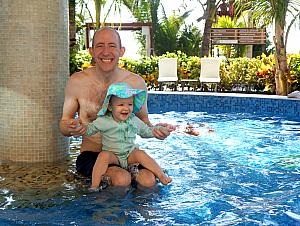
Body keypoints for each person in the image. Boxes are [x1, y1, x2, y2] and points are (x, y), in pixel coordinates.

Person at [59, 27, 173, 188]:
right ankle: (105, 211)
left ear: (121, 51)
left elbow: (144, 121)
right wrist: (72, 127)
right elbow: (64, 125)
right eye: (100, 46)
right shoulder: (77, 82)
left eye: (112, 46)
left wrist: (157, 130)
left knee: (148, 181)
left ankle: (145, 213)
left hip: (127, 153)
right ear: (91, 51)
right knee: (121, 179)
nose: (106, 52)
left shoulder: (136, 83)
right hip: (94, 155)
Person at [81, 83, 172, 190]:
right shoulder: (103, 121)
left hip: (129, 155)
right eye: (121, 105)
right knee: (104, 155)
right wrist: (80, 127)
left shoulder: (133, 120)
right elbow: (89, 130)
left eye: (130, 104)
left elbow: (146, 131)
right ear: (110, 107)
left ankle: (161, 174)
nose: (126, 108)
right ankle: (94, 185)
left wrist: (158, 130)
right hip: (113, 155)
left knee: (140, 153)